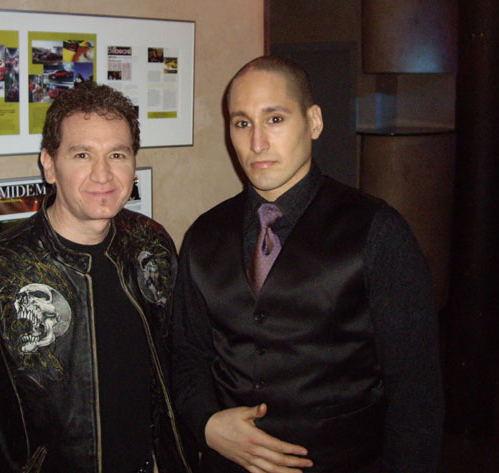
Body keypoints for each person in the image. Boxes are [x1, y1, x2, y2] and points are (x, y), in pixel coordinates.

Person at [0, 82, 193, 473]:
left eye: (117, 154)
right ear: (49, 164)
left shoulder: (152, 243)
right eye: (82, 154)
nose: (103, 174)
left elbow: (180, 359)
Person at [171, 56, 443, 473]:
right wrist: (206, 424)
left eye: (275, 119)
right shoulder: (203, 235)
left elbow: (415, 390)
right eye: (242, 123)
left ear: (313, 122)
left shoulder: (377, 230)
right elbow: (186, 355)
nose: (257, 142)